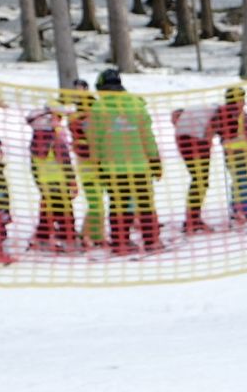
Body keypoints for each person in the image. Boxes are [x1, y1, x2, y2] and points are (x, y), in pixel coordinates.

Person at [90, 67, 163, 254]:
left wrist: (96, 165)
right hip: (139, 166)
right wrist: (155, 160)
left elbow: (94, 141)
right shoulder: (136, 105)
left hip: (112, 168)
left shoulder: (98, 108)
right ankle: (151, 241)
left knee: (118, 205)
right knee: (146, 204)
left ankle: (120, 242)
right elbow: (147, 136)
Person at [26, 102, 79, 251]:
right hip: (60, 181)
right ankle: (68, 239)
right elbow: (65, 162)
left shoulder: (35, 141)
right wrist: (72, 181)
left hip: (45, 182)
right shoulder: (56, 139)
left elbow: (34, 166)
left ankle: (41, 237)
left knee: (48, 210)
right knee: (65, 212)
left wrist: (39, 182)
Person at [61, 79, 107, 249]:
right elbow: (77, 134)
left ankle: (96, 234)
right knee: (96, 203)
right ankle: (88, 234)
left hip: (98, 162)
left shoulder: (95, 109)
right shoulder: (75, 116)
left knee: (98, 202)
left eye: (81, 89)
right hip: (86, 163)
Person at [214, 85, 247, 224]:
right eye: (240, 99)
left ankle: (236, 207)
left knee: (239, 180)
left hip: (238, 154)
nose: (243, 103)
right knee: (244, 181)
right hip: (236, 154)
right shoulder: (236, 116)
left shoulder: (224, 115)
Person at [171, 103, 218, 234]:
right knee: (200, 181)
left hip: (182, 140)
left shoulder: (204, 109)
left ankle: (192, 219)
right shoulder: (220, 111)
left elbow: (175, 116)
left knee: (199, 180)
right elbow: (212, 128)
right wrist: (208, 140)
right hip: (196, 142)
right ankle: (192, 220)